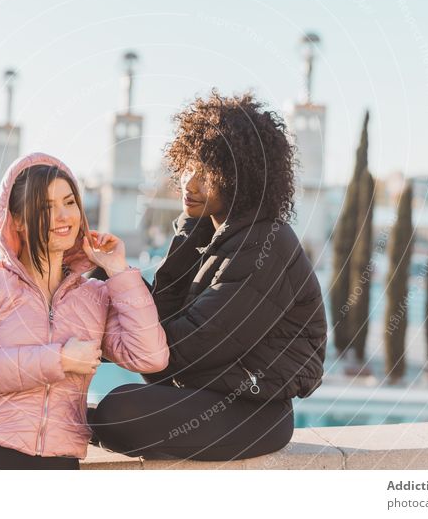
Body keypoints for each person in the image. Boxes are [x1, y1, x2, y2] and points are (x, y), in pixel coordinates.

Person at [88, 90, 328, 461]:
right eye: (188, 166)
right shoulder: (206, 234)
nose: (190, 183)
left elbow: (183, 350)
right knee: (93, 281)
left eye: (207, 172)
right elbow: (160, 313)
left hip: (255, 411)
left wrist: (103, 333)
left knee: (117, 412)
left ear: (240, 177)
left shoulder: (265, 244)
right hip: (202, 393)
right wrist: (99, 275)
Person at [0, 152, 169, 470]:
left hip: (57, 462)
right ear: (15, 220)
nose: (63, 216)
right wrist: (59, 359)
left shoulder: (96, 296)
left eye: (69, 202)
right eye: (46, 208)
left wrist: (118, 271)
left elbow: (150, 357)